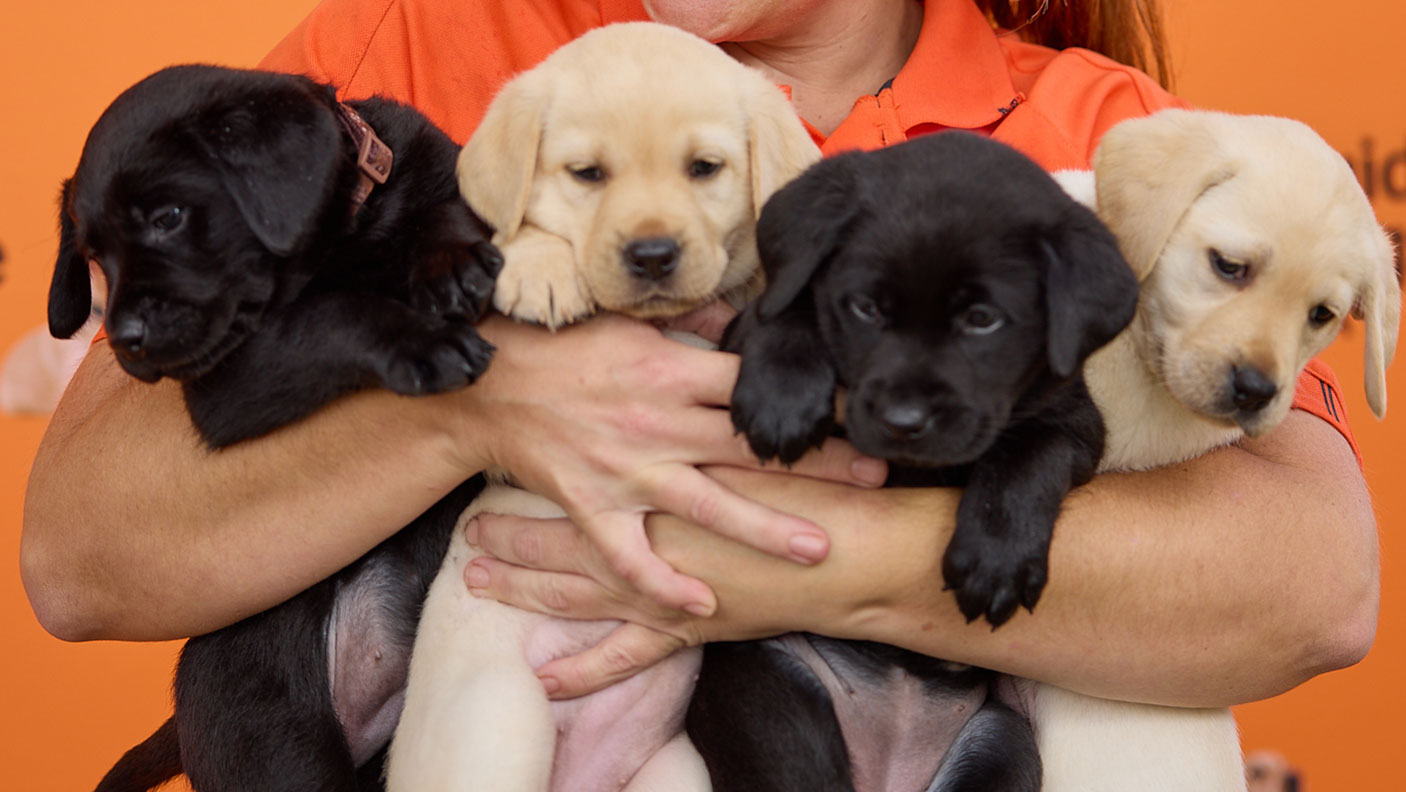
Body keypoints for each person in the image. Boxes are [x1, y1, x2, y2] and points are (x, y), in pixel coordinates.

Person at [21, 0, 1376, 721]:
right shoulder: (406, 43)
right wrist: (471, 403)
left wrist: (808, 565)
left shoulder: (1105, 136)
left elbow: (1311, 584)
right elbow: (80, 557)